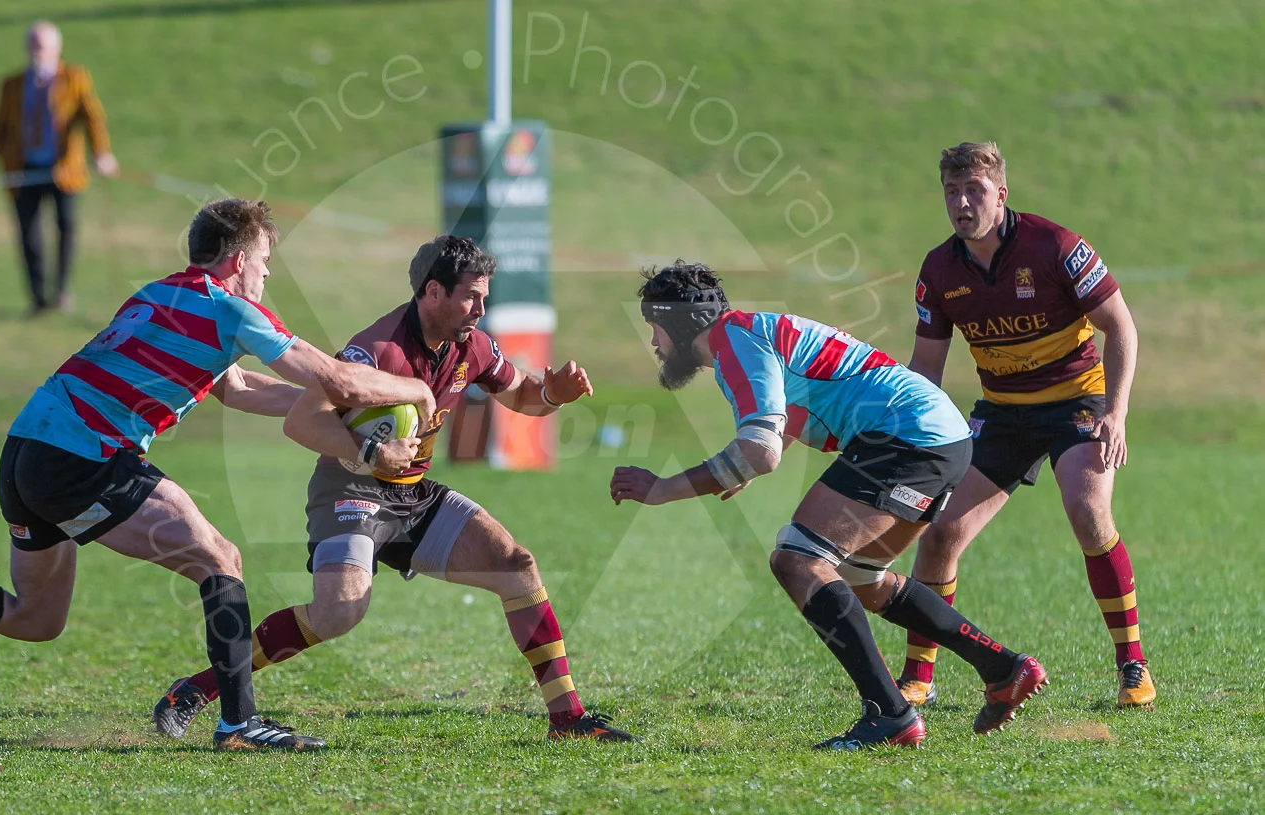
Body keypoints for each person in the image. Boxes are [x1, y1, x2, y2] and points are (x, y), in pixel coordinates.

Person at [0, 199, 435, 753]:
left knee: (36, 618)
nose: (268, 273)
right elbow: (339, 377)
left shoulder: (159, 296)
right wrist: (414, 389)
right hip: (82, 460)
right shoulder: (231, 309)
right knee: (219, 558)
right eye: (266, 260)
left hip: (28, 450)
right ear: (238, 258)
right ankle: (239, 723)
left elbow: (240, 389)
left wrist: (345, 415)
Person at [150, 235, 635, 744]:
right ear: (432, 292)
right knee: (339, 611)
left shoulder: (473, 344)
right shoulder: (377, 350)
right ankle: (200, 688)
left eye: (484, 296)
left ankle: (568, 718)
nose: (481, 307)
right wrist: (370, 454)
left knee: (516, 566)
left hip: (411, 491)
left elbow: (522, 396)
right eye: (471, 296)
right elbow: (302, 421)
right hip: (350, 487)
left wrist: (552, 395)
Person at [609, 261, 1048, 750]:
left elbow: (760, 450)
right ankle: (1004, 667)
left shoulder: (733, 341)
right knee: (863, 579)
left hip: (906, 436)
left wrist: (664, 487)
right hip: (939, 436)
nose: (654, 344)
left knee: (797, 560)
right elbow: (796, 410)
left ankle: (890, 716)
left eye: (654, 329)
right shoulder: (750, 331)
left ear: (677, 322)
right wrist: (739, 470)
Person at [896, 143, 1154, 710]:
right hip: (1003, 413)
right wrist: (913, 440)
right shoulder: (938, 271)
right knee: (939, 533)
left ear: (1000, 194)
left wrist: (1116, 410)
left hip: (1076, 404)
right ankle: (919, 674)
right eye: (951, 191)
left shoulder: (1055, 246)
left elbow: (1122, 328)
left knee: (1088, 513)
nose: (962, 203)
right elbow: (926, 370)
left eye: (974, 190)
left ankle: (1132, 666)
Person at [0, 20, 119, 314]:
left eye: (44, 46)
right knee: (28, 233)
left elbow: (92, 118)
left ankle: (61, 291)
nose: (38, 51)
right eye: (34, 45)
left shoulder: (74, 79)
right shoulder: (11, 84)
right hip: (24, 170)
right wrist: (5, 161)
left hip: (64, 171)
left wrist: (101, 153)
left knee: (66, 228)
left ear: (56, 49)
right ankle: (38, 298)